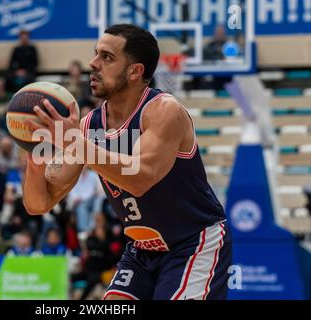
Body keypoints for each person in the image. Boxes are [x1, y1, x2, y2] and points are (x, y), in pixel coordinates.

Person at [22, 24, 232, 300]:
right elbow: (39, 204)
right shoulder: (89, 126)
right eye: (96, 54)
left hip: (193, 243)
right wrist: (33, 157)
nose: (93, 63)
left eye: (106, 57)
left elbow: (140, 178)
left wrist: (76, 143)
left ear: (135, 71)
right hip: (142, 251)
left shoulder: (163, 111)